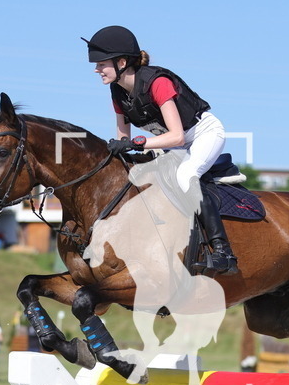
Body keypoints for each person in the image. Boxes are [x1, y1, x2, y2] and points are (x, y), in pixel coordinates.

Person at [82, 25, 238, 276]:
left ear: (121, 62)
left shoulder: (158, 82)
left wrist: (136, 144)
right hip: (168, 142)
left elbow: (176, 136)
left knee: (186, 176)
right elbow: (124, 138)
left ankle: (223, 251)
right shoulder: (117, 90)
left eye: (101, 63)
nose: (96, 69)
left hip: (201, 135)